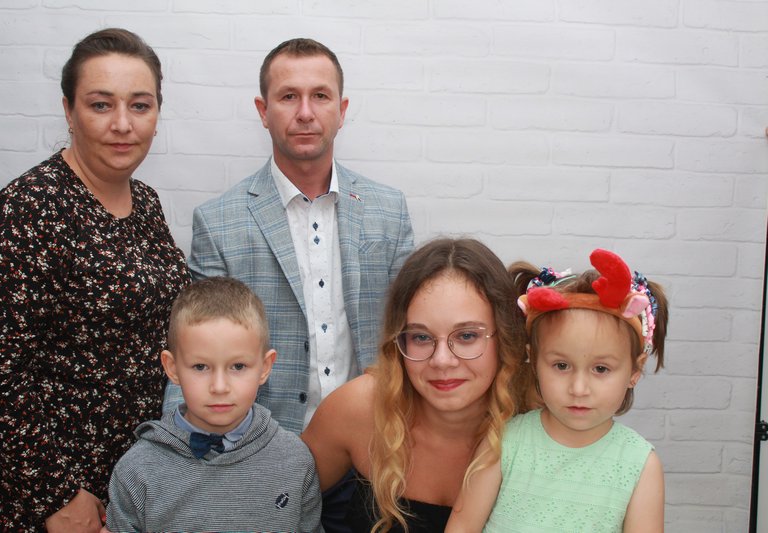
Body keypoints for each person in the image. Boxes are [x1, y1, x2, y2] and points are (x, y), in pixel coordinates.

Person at [0, 28, 190, 532]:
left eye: (139, 105)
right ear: (69, 111)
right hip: (43, 498)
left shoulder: (146, 203)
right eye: (100, 105)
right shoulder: (26, 212)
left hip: (124, 479)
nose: (122, 124)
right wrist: (58, 495)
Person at [163, 37, 415, 435]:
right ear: (263, 111)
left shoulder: (389, 210)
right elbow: (196, 345)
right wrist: (178, 448)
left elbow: (411, 329)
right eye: (288, 97)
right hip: (261, 445)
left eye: (320, 96)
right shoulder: (218, 222)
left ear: (341, 111)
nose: (305, 113)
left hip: (371, 440)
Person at [300, 237, 529, 532]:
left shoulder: (545, 418)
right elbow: (271, 503)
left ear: (505, 336)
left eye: (467, 336)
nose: (442, 360)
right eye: (421, 337)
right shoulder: (358, 408)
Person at [445, 249, 669, 533]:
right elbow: (463, 526)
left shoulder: (639, 464)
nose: (578, 389)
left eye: (601, 369)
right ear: (534, 360)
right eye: (561, 365)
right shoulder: (504, 441)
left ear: (635, 371)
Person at [105, 277, 322, 532]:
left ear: (265, 367)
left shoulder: (295, 460)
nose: (219, 387)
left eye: (238, 366)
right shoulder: (137, 470)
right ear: (172, 368)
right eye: (200, 367)